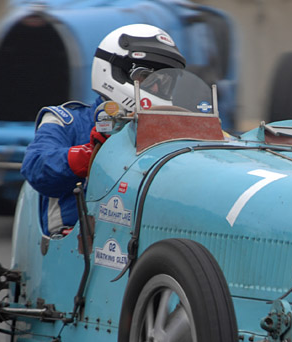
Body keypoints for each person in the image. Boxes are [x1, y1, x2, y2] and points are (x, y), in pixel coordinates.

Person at [21, 24, 186, 235]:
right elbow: (35, 166)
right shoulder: (66, 119)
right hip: (78, 243)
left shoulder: (172, 130)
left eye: (164, 82)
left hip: (143, 235)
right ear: (114, 71)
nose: (155, 89)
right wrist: (92, 154)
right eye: (145, 77)